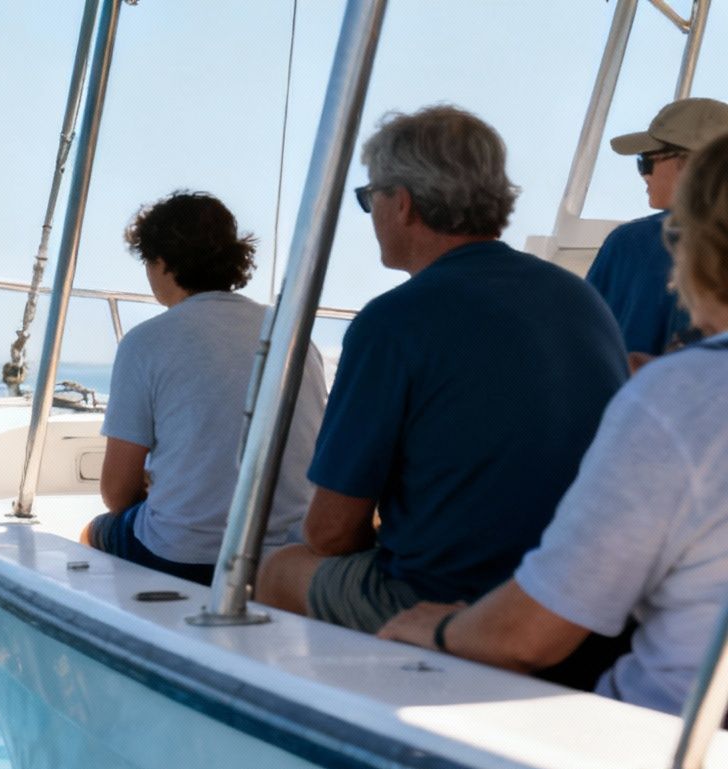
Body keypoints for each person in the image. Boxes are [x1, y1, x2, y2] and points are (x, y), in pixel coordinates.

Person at [379, 132, 728, 716]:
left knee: (292, 574)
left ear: (694, 246)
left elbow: (529, 638)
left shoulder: (681, 396)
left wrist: (440, 629)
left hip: (659, 748)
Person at [255, 105, 627, 633]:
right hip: (568, 599)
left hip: (450, 599)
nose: (372, 215)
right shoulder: (581, 301)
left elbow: (331, 532)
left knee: (280, 568)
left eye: (369, 199)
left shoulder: (393, 321)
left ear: (402, 203)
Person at [80, 191, 327, 585]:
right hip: (287, 556)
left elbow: (117, 493)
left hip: (186, 556)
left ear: (161, 262)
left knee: (95, 532)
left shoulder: (146, 342)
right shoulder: (292, 334)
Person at [587, 96, 728, 369]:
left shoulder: (631, 243)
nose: (644, 174)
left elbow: (582, 342)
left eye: (646, 161)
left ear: (689, 164)